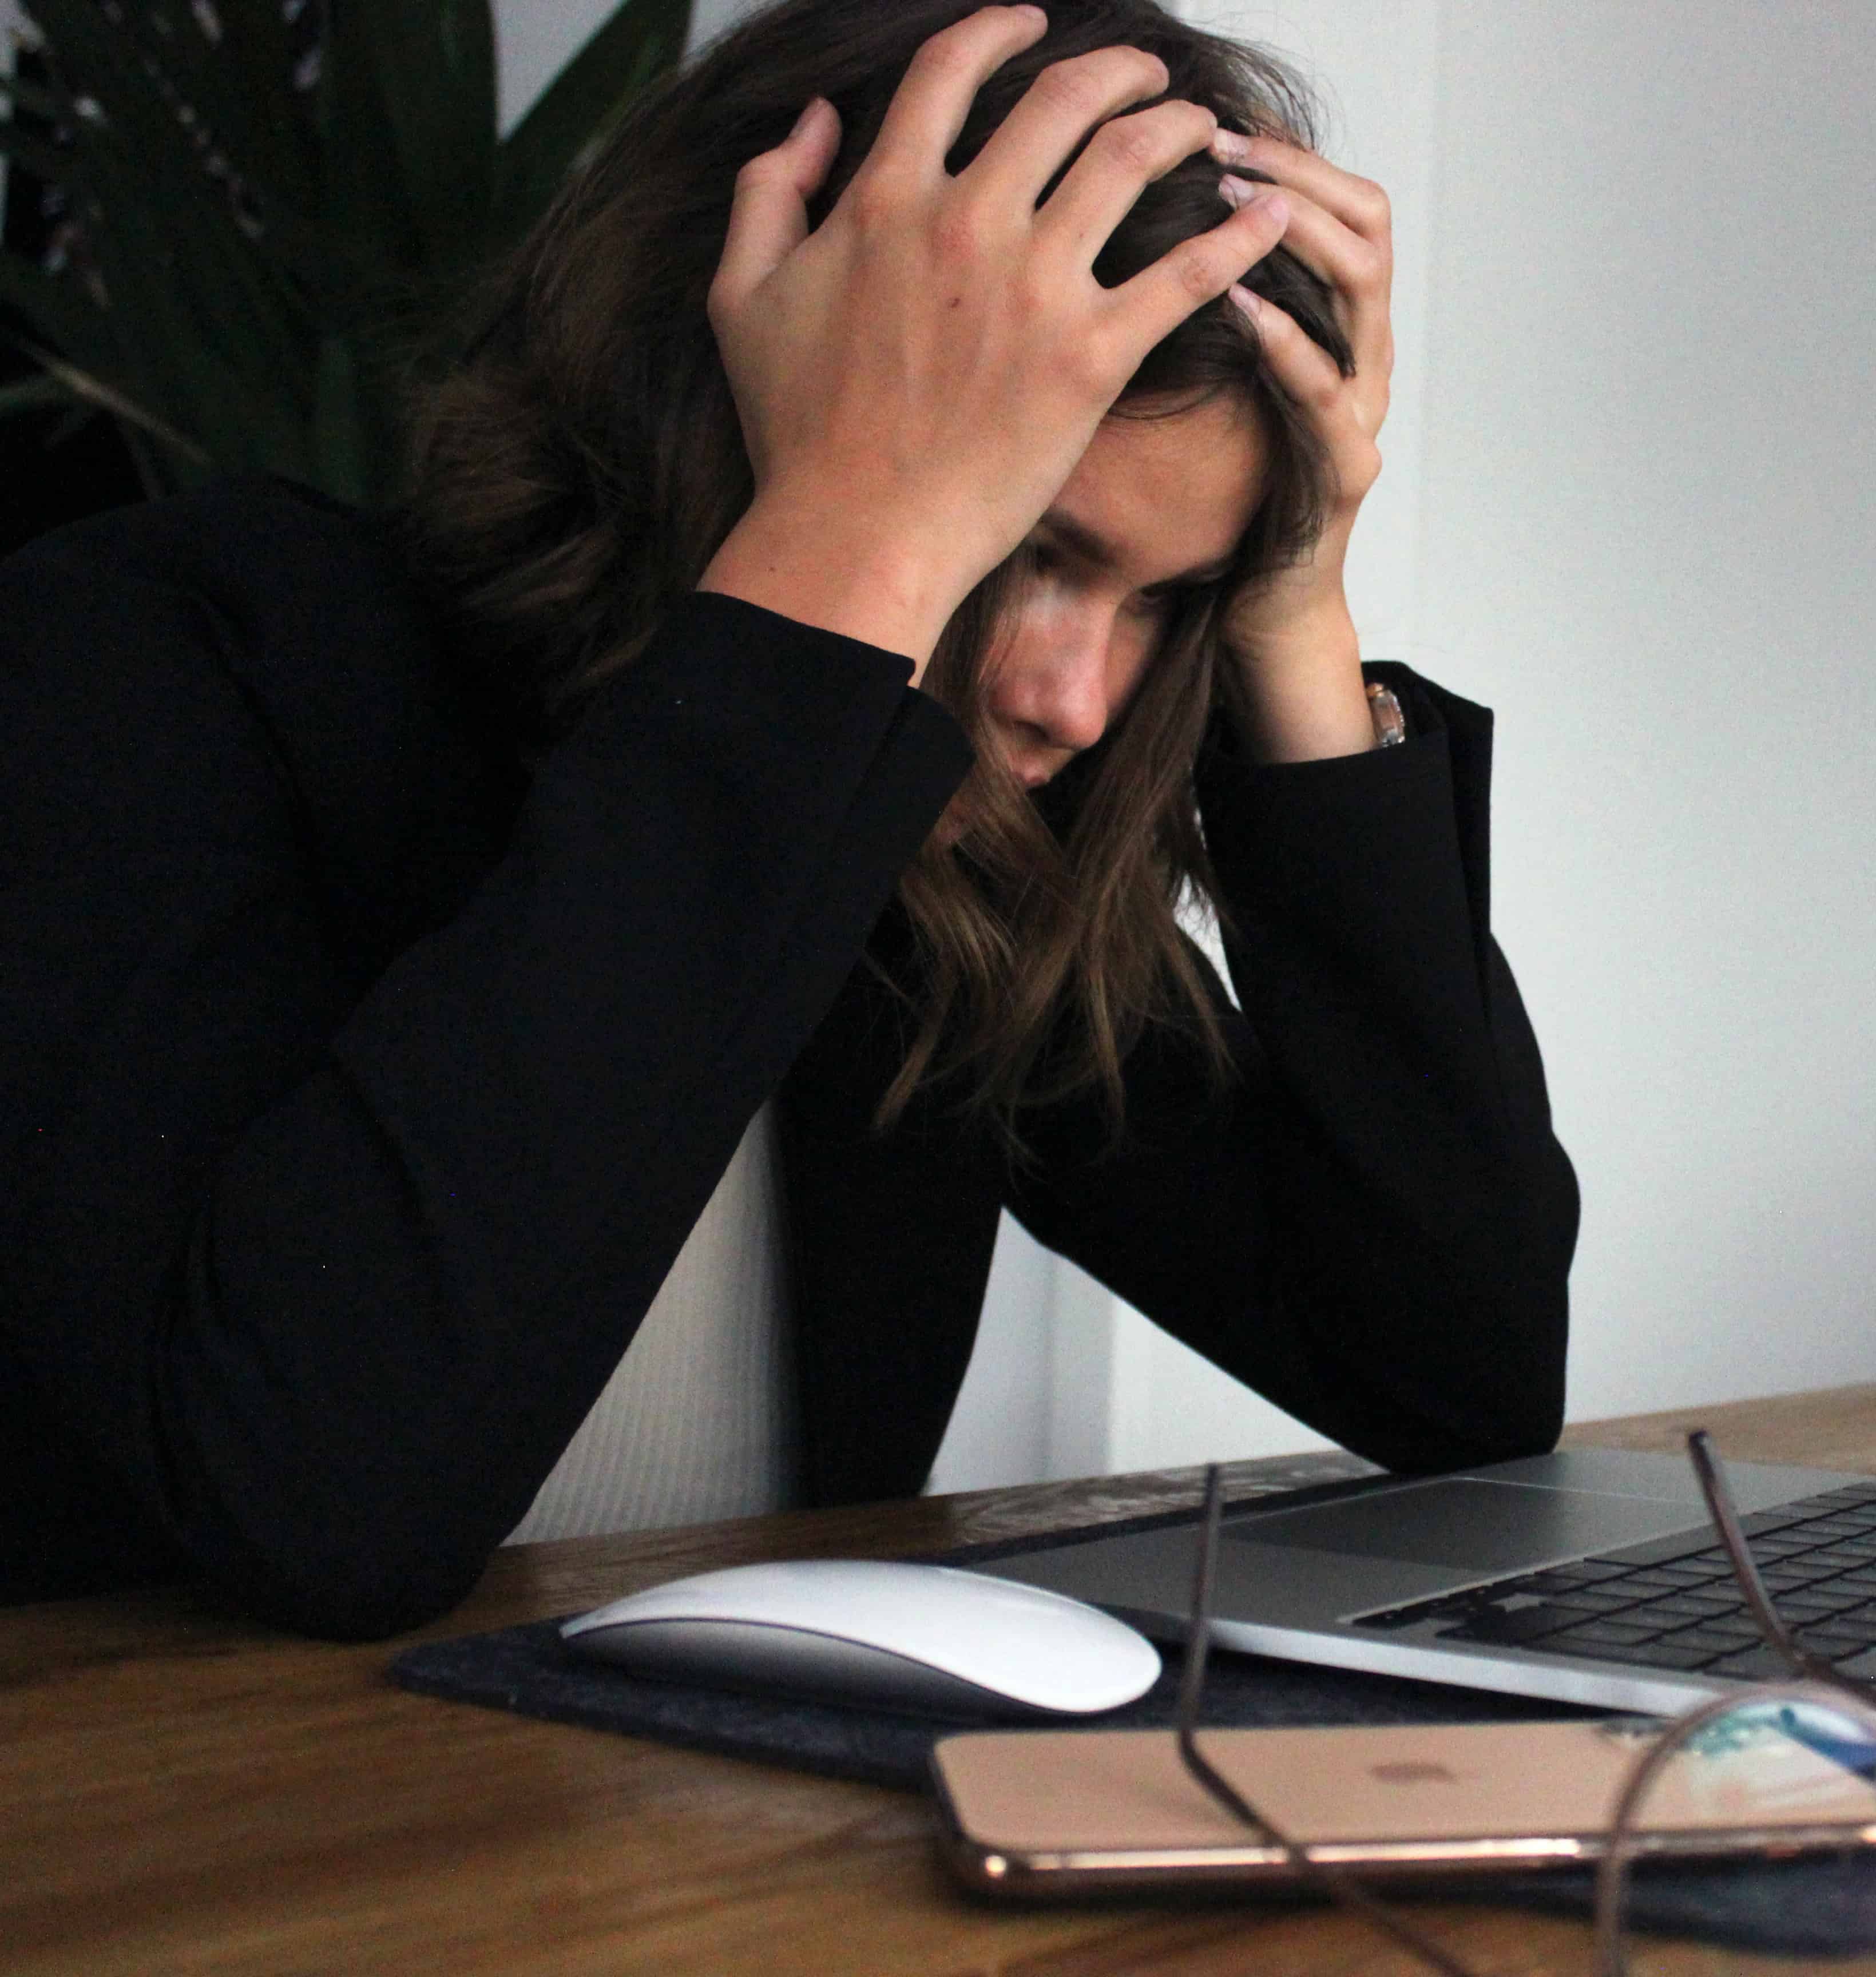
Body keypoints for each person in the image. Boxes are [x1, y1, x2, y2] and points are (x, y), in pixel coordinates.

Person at [0, 0, 1577, 1638]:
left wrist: (1292, 610)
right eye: (1027, 543)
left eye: (1162, 601)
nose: (1072, 702)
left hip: (720, 1872)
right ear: (730, 386)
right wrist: (853, 545)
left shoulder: (933, 864)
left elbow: (1455, 1371)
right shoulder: (150, 662)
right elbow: (315, 1499)